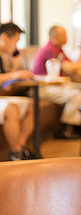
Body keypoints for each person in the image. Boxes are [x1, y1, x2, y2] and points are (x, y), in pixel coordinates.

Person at [33, 26, 81, 139]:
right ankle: (65, 128)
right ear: (55, 37)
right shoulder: (49, 50)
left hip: (58, 84)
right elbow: (68, 68)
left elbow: (72, 66)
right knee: (77, 95)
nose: (67, 37)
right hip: (44, 86)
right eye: (64, 35)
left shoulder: (59, 49)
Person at [0, 22, 36, 160]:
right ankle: (16, 153)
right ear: (4, 37)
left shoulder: (3, 57)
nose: (16, 46)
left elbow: (6, 85)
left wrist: (14, 68)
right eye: (15, 41)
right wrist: (13, 75)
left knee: (32, 105)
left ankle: (20, 148)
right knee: (11, 108)